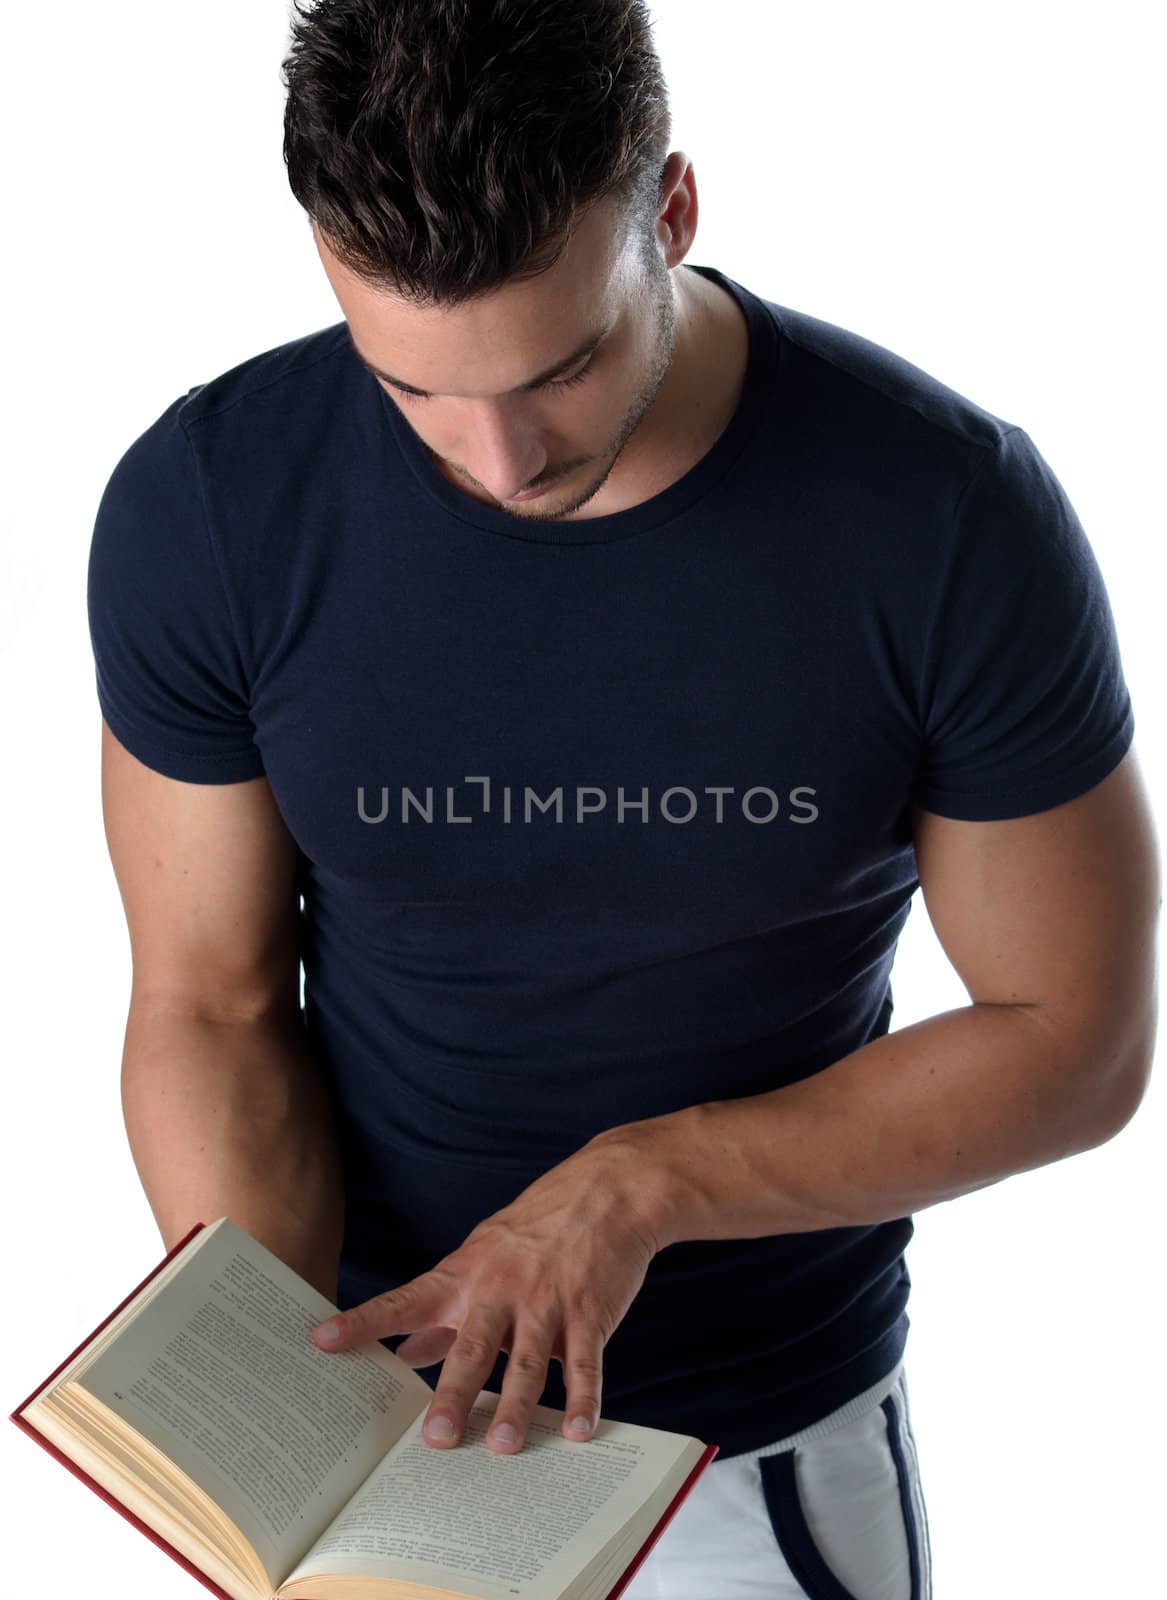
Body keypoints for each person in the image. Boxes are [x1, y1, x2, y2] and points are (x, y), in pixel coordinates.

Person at [86, 3, 1159, 1596]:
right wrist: (272, 1379)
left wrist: (639, 1187)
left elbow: (1077, 1041)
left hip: (749, 1440)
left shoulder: (945, 517)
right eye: (414, 392)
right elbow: (212, 1000)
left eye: (561, 369)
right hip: (387, 1440)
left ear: (670, 212)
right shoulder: (212, 504)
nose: (499, 459)